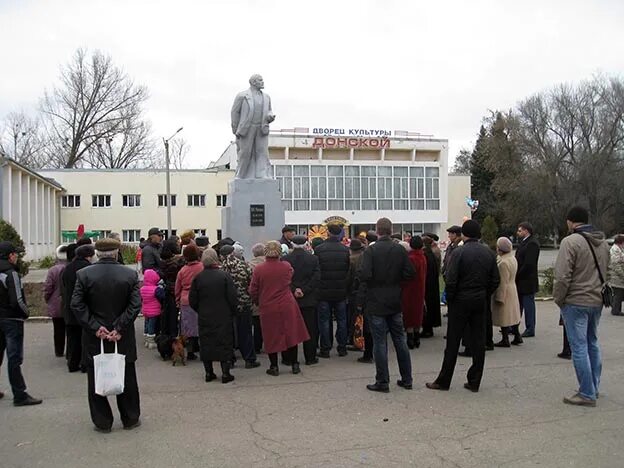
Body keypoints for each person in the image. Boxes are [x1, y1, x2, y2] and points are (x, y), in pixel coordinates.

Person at [71, 238, 141, 432]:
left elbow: (76, 304)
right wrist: (119, 327)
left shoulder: (84, 275)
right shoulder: (129, 274)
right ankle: (130, 418)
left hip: (95, 336)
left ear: (97, 254)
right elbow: (135, 305)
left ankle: (102, 422)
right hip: (123, 335)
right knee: (127, 376)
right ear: (117, 252)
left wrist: (96, 327)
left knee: (96, 377)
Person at [426, 220, 499, 393]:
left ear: (464, 235)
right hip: (479, 299)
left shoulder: (459, 253)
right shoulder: (488, 253)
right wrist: (484, 293)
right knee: (478, 341)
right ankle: (475, 380)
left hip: (460, 300)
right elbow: (495, 280)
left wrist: (451, 299)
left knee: (453, 341)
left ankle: (444, 380)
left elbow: (450, 279)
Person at [553, 206, 609, 407]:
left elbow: (562, 276)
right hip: (596, 300)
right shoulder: (603, 243)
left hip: (575, 300)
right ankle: (594, 386)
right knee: (592, 342)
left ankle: (586, 392)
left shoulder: (570, 242)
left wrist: (559, 299)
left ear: (571, 221)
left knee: (579, 346)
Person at [359, 218, 415, 393]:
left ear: (377, 230)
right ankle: (407, 378)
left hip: (376, 300)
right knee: (399, 339)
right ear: (391, 230)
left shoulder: (371, 251)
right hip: (394, 299)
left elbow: (364, 274)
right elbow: (410, 273)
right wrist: (396, 281)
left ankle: (382, 381)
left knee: (379, 342)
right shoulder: (399, 250)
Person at [249, 241, 310, 376]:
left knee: (271, 335)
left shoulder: (259, 269)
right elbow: (290, 276)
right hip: (287, 304)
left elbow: (253, 289)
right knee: (291, 334)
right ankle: (294, 364)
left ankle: (274, 366)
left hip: (268, 304)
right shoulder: (286, 266)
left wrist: (257, 301)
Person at [0, 241, 42, 406]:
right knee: (14, 358)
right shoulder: (11, 274)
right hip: (12, 320)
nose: (17, 256)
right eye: (15, 254)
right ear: (10, 256)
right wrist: (26, 313)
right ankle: (20, 394)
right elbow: (17, 299)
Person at [188, 248, 237, 383]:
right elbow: (232, 297)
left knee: (206, 343)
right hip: (223, 315)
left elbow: (192, 300)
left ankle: (209, 373)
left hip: (205, 315)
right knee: (224, 342)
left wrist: (200, 309)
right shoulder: (224, 276)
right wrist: (232, 311)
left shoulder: (198, 278)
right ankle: (226, 373)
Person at [314, 224, 351, 358]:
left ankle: (325, 348)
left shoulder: (319, 249)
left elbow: (317, 271)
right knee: (342, 320)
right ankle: (342, 348)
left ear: (328, 233)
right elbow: (348, 270)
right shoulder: (345, 250)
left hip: (323, 291)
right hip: (341, 291)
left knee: (324, 321)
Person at [220, 244, 259, 368]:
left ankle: (229, 360)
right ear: (233, 252)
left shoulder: (221, 268)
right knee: (245, 332)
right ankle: (249, 359)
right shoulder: (244, 265)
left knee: (228, 333)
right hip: (244, 303)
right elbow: (252, 283)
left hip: (226, 306)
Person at [283, 236, 321, 365]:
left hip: (290, 298)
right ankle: (310, 358)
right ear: (306, 244)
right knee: (310, 329)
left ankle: (288, 358)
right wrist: (304, 290)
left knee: (289, 328)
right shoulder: (313, 259)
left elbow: (285, 279)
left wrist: (294, 289)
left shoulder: (285, 259)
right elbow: (316, 277)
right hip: (308, 299)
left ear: (292, 245)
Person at [231, 74, 276, 179]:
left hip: (262, 128)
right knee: (245, 152)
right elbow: (235, 112)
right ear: (253, 82)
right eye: (260, 80)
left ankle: (262, 174)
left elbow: (269, 110)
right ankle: (241, 174)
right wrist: (235, 129)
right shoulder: (242, 96)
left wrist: (270, 116)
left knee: (262, 152)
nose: (263, 82)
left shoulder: (266, 97)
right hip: (247, 128)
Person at [62, 244, 95, 373]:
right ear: (89, 256)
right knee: (85, 337)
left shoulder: (68, 268)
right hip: (84, 308)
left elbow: (64, 285)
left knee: (72, 338)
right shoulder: (89, 269)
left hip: (70, 307)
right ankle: (85, 364)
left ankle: (72, 363)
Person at [491, 238, 522, 347]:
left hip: (505, 290)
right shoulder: (512, 258)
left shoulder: (502, 263)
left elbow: (502, 282)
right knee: (513, 314)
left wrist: (499, 297)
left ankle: (505, 339)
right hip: (512, 288)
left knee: (504, 315)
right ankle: (517, 335)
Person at [174, 244, 203, 359]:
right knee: (200, 326)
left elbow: (177, 287)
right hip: (200, 299)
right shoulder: (202, 267)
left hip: (186, 300)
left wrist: (177, 300)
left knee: (188, 328)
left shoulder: (183, 271)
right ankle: (202, 350)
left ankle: (190, 352)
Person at [402, 236, 427, 349]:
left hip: (409, 288)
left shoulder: (411, 258)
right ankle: (417, 337)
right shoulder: (423, 257)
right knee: (418, 312)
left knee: (409, 314)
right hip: (420, 287)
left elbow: (407, 274)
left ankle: (410, 338)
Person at [515, 222, 540, 337]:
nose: (518, 233)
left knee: (528, 305)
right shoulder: (524, 242)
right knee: (518, 304)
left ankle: (530, 328)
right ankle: (514, 326)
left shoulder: (532, 244)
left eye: (520, 231)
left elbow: (529, 263)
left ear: (526, 231)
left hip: (527, 280)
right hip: (521, 280)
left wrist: (518, 274)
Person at [44, 245, 68, 358]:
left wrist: (47, 298)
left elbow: (48, 287)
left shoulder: (53, 270)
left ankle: (59, 351)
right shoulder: (70, 268)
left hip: (56, 304)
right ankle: (70, 350)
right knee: (70, 329)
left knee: (58, 329)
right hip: (68, 304)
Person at [159, 238, 185, 337]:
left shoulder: (163, 261)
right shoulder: (178, 261)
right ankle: (174, 335)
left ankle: (166, 334)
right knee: (175, 314)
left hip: (167, 288)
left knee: (168, 313)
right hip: (176, 288)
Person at [421, 236, 441, 337]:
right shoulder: (430, 254)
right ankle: (428, 328)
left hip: (427, 284)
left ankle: (427, 329)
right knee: (430, 306)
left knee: (427, 307)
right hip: (432, 284)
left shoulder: (425, 255)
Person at [346, 239, 365, 349]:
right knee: (360, 316)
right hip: (362, 290)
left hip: (353, 291)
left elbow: (348, 277)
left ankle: (353, 339)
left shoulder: (351, 260)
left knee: (352, 316)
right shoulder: (364, 258)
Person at [248, 243, 266, 353]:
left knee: (257, 323)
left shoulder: (249, 265)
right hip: (269, 297)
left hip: (256, 298)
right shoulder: (269, 264)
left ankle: (257, 345)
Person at [140, 269, 163, 350]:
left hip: (145, 310)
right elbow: (162, 297)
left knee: (146, 323)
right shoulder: (156, 289)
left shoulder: (142, 288)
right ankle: (151, 341)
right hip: (154, 310)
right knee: (152, 325)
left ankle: (146, 338)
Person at [608, 234, 624, 316]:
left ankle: (617, 309)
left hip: (618, 276)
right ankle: (615, 310)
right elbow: (616, 264)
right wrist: (622, 274)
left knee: (619, 294)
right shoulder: (615, 250)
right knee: (618, 294)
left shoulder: (618, 249)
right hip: (617, 276)